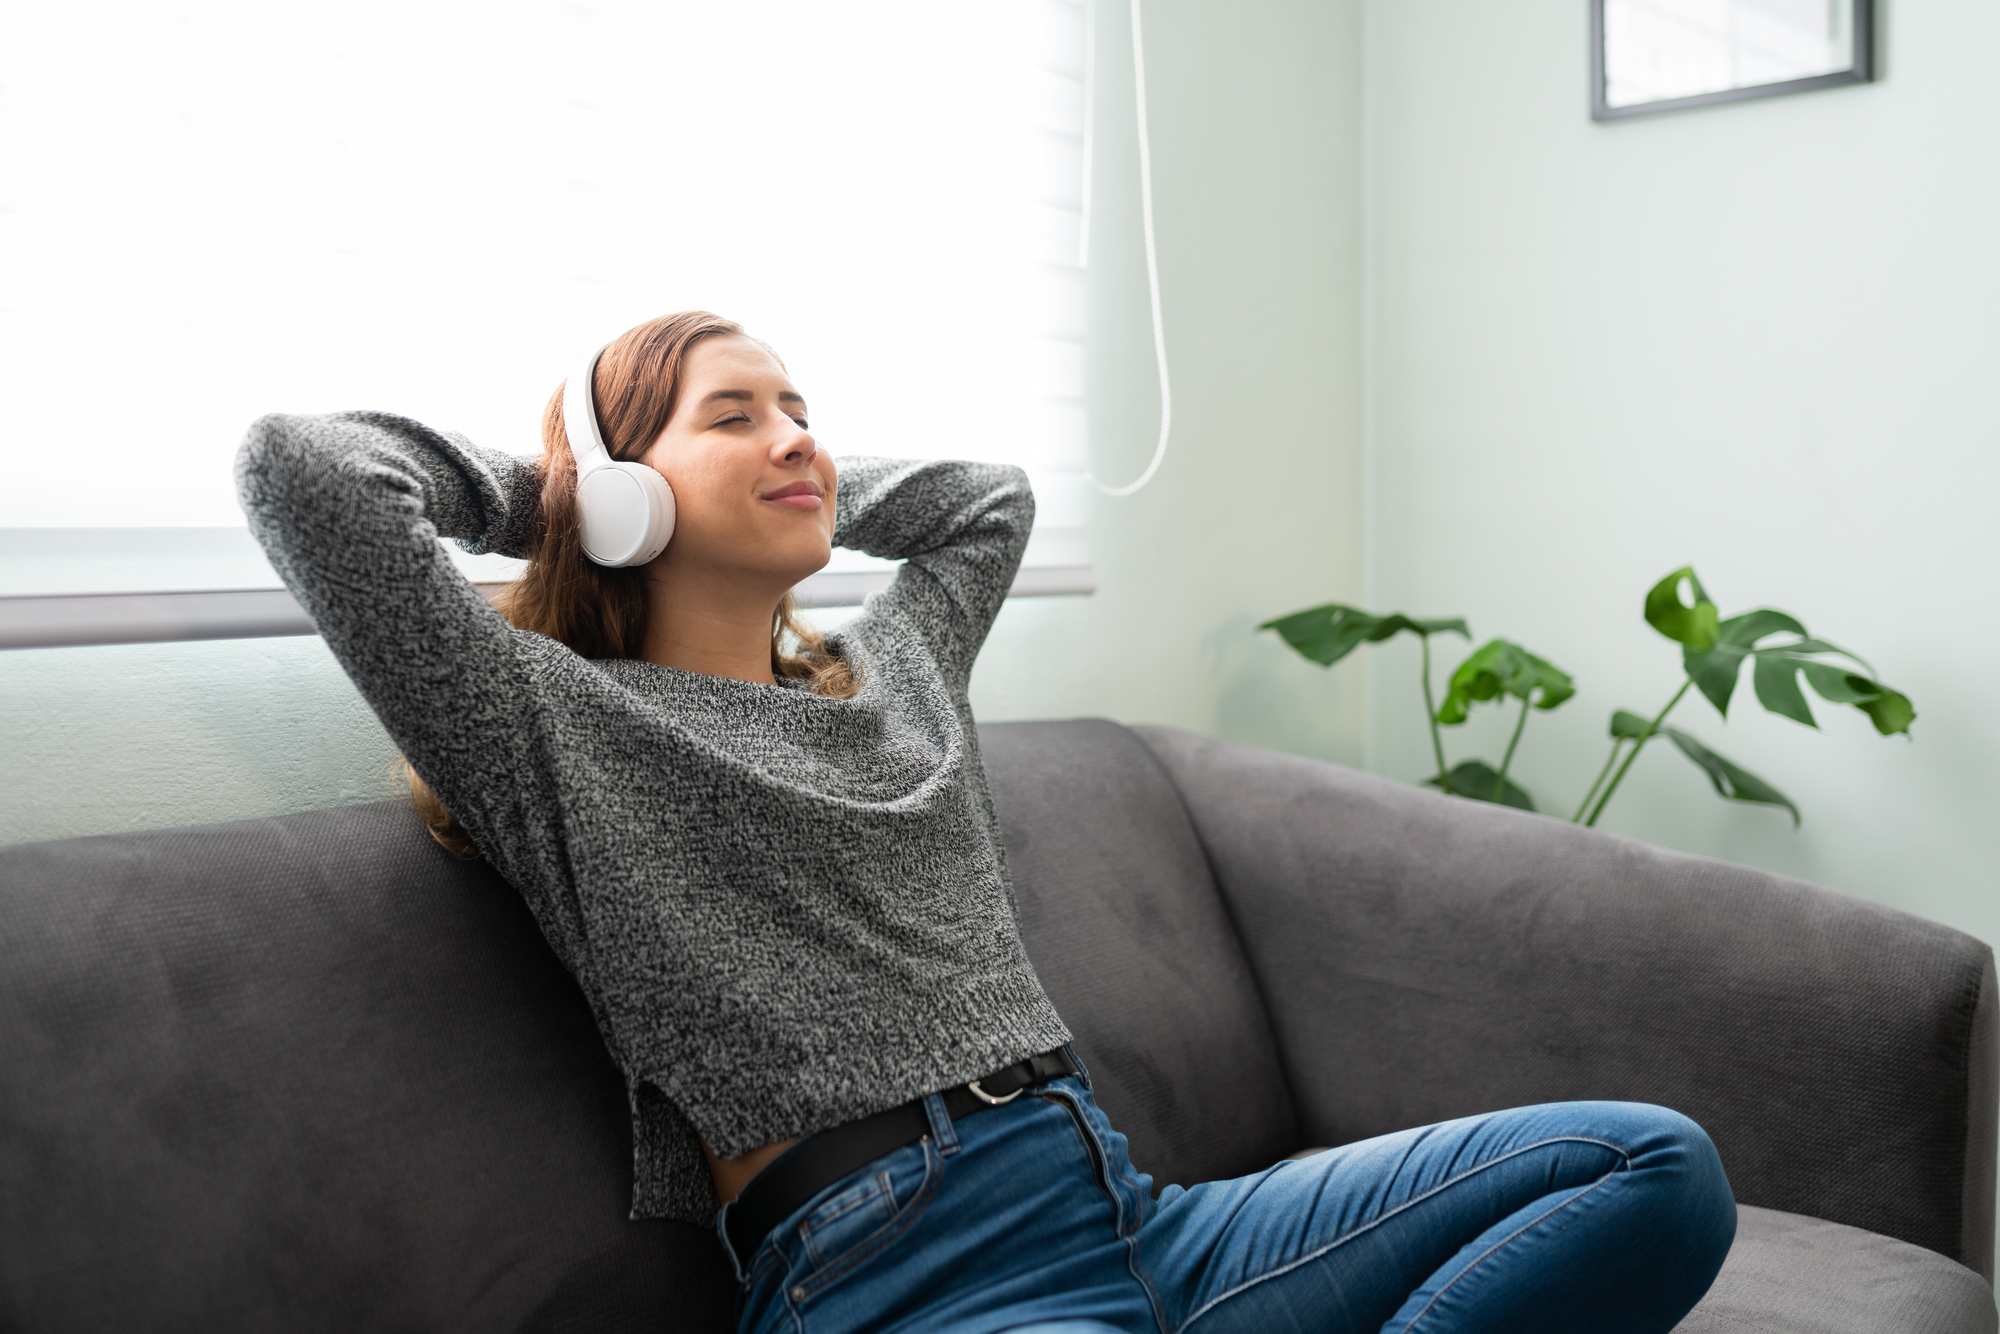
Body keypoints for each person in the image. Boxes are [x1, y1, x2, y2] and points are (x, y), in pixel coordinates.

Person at [237, 310, 1736, 1333]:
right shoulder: (554, 729)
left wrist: (762, 467)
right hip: (904, 1275)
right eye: (738, 415)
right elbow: (301, 473)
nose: (800, 440)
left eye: (807, 411)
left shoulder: (893, 678)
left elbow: (985, 501)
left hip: (1137, 1217)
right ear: (627, 480)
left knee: (1653, 1168)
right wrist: (562, 494)